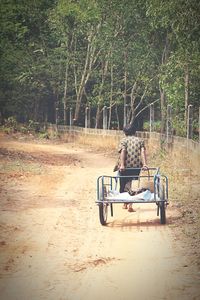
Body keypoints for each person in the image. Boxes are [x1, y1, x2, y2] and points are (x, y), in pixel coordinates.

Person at [115, 124, 148, 212]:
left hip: (125, 168)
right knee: (133, 184)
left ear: (124, 132)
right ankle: (130, 205)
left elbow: (123, 151)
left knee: (123, 184)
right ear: (135, 132)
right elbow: (142, 151)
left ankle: (125, 203)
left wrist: (122, 165)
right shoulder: (140, 140)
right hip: (136, 167)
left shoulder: (124, 140)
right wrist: (144, 164)